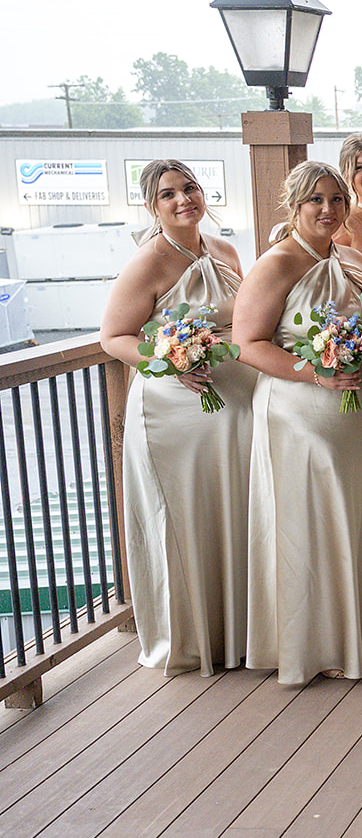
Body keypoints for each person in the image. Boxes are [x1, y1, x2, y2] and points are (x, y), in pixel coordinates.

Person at [99, 160, 257, 675]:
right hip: (176, 409)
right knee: (188, 518)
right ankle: (192, 639)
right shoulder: (147, 264)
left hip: (236, 405)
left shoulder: (226, 250)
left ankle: (241, 631)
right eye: (170, 194)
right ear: (153, 206)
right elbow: (115, 337)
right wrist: (170, 360)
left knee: (234, 513)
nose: (184, 199)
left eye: (190, 188)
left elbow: (247, 320)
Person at [234, 161, 362, 685]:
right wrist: (313, 372)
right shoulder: (276, 264)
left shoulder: (351, 258)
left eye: (337, 200)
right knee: (306, 525)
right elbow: (246, 344)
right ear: (294, 207)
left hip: (354, 411)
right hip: (299, 409)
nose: (328, 210)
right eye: (315, 201)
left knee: (352, 519)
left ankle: (354, 634)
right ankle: (313, 646)